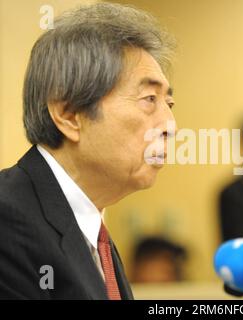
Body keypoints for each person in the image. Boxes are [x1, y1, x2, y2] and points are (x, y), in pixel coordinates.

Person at [0, 3, 176, 299]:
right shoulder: (8, 222)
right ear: (69, 115)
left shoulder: (93, 232)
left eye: (168, 104)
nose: (170, 125)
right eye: (149, 99)